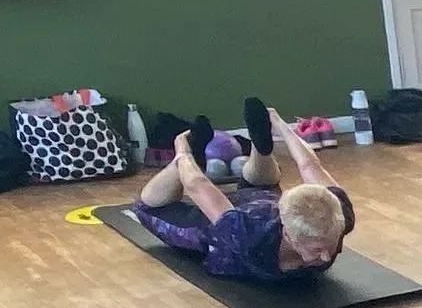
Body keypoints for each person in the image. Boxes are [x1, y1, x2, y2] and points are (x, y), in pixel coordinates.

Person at [133, 97, 353, 280]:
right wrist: (183, 153)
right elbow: (197, 185)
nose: (326, 257)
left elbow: (309, 165)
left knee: (264, 186)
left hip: (262, 200)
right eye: (316, 249)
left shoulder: (337, 214)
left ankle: (261, 150)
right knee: (147, 207)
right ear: (288, 234)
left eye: (330, 245)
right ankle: (181, 164)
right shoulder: (248, 235)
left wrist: (277, 124)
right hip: (224, 229)